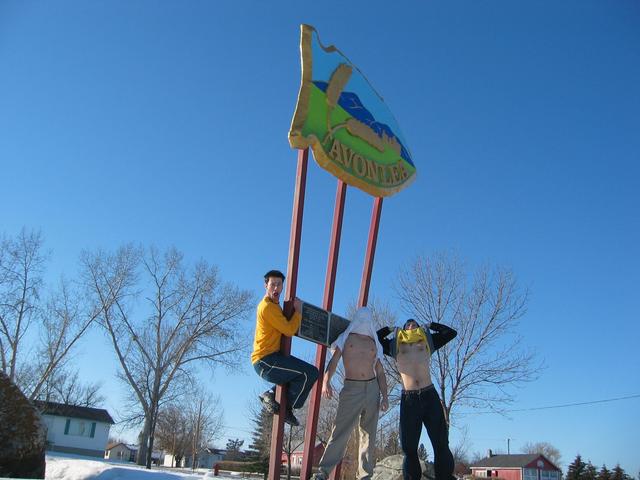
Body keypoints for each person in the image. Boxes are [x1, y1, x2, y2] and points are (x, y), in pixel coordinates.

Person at [312, 307, 389, 480]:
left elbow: (381, 372)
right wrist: (326, 381)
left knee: (369, 435)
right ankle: (323, 473)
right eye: (361, 317)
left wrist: (385, 396)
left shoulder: (374, 343)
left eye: (367, 318)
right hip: (351, 389)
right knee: (340, 431)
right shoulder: (346, 338)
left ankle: (365, 476)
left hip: (372, 389)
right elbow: (334, 360)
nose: (364, 320)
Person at [377, 319, 457, 480]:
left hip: (429, 395)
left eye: (415, 325)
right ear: (404, 329)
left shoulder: (427, 341)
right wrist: (391, 328)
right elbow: (376, 338)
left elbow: (450, 333)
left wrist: (432, 325)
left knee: (441, 442)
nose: (412, 326)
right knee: (409, 447)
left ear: (420, 328)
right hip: (409, 399)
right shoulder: (395, 345)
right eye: (408, 325)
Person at [252, 269, 319, 426]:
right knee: (309, 373)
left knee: (305, 374)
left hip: (273, 359)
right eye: (272, 284)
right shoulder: (267, 307)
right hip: (265, 361)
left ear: (283, 287)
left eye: (279, 284)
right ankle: (287, 407)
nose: (276, 288)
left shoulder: (275, 307)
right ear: (265, 286)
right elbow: (289, 330)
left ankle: (271, 395)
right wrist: (299, 312)